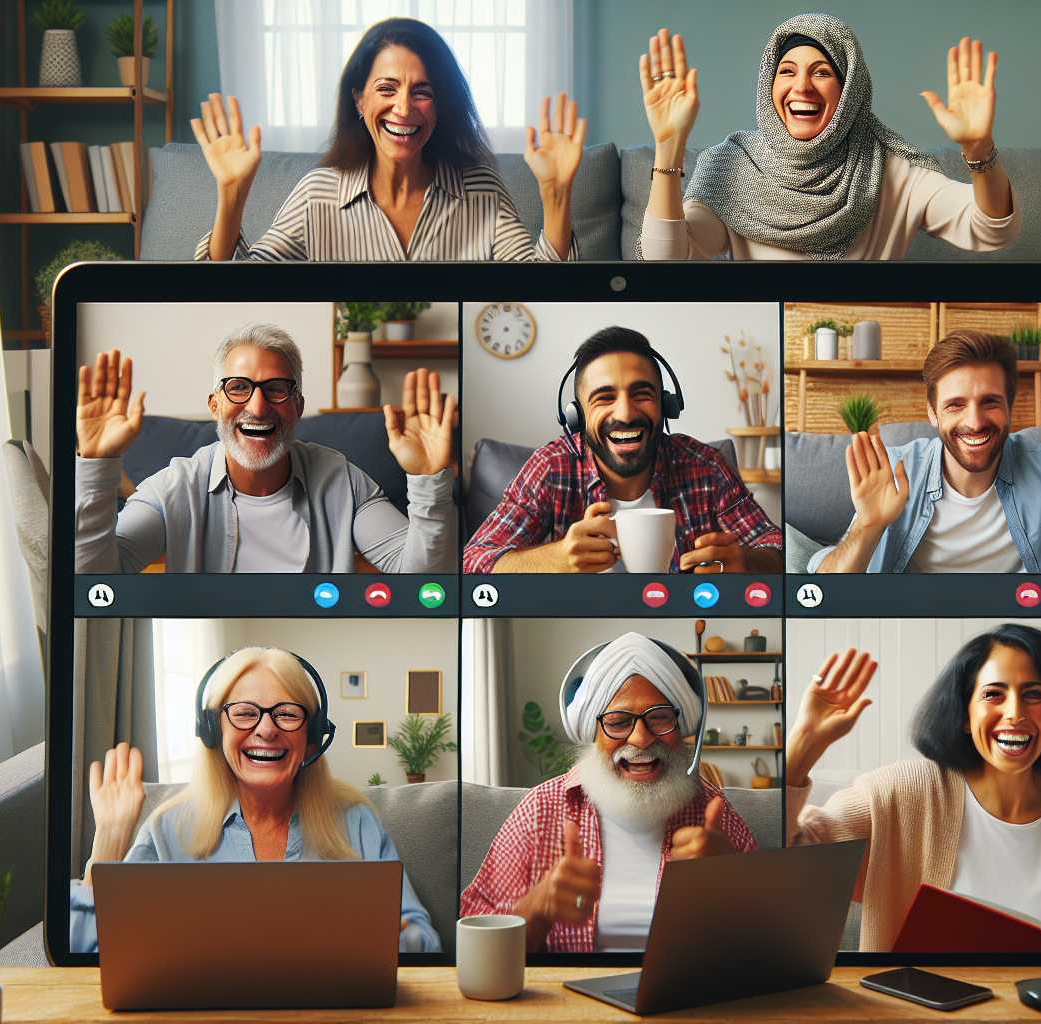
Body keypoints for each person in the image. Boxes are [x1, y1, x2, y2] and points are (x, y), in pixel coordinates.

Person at [785, 626, 1041, 951]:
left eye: (1033, 695)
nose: (1015, 713)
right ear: (965, 716)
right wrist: (801, 748)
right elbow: (788, 866)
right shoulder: (899, 793)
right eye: (993, 694)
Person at [68, 646, 440, 953]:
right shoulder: (168, 830)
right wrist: (108, 845)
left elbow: (424, 941)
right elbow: (88, 952)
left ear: (312, 736)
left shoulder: (356, 822)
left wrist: (388, 940)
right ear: (213, 731)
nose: (266, 729)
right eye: (244, 713)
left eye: (286, 714)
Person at [192, 17, 585, 262]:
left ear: (440, 105)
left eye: (422, 92)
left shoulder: (480, 188)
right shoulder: (319, 193)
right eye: (387, 88)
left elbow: (539, 291)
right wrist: (231, 195)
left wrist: (557, 195)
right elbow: (241, 288)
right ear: (359, 100)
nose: (403, 108)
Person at [74, 323, 457, 573]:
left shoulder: (343, 479)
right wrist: (96, 464)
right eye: (238, 387)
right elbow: (95, 578)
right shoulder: (175, 487)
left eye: (276, 389)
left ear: (298, 407)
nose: (257, 407)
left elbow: (422, 581)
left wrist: (427, 482)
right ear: (215, 406)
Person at [460, 633, 757, 952]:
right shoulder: (541, 808)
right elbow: (472, 944)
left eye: (659, 719)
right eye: (618, 722)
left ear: (681, 727)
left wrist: (730, 883)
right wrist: (537, 907)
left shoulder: (713, 810)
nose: (641, 739)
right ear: (593, 731)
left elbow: (770, 938)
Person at [637, 14, 1017, 260]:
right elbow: (665, 262)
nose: (801, 87)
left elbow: (990, 230)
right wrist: (668, 147)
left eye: (821, 72)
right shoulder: (732, 166)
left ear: (850, 90)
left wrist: (979, 149)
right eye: (786, 71)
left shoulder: (890, 170)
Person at [810, 331, 1041, 573]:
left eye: (990, 402)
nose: (975, 421)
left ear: (1010, 407)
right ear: (932, 413)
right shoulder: (896, 471)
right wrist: (869, 526)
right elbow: (821, 590)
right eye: (955, 405)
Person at [463, 327, 782, 573]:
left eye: (642, 394)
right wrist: (556, 558)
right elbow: (475, 561)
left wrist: (746, 563)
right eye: (604, 397)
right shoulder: (550, 467)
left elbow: (776, 549)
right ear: (576, 415)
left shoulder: (705, 466)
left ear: (665, 405)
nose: (626, 414)